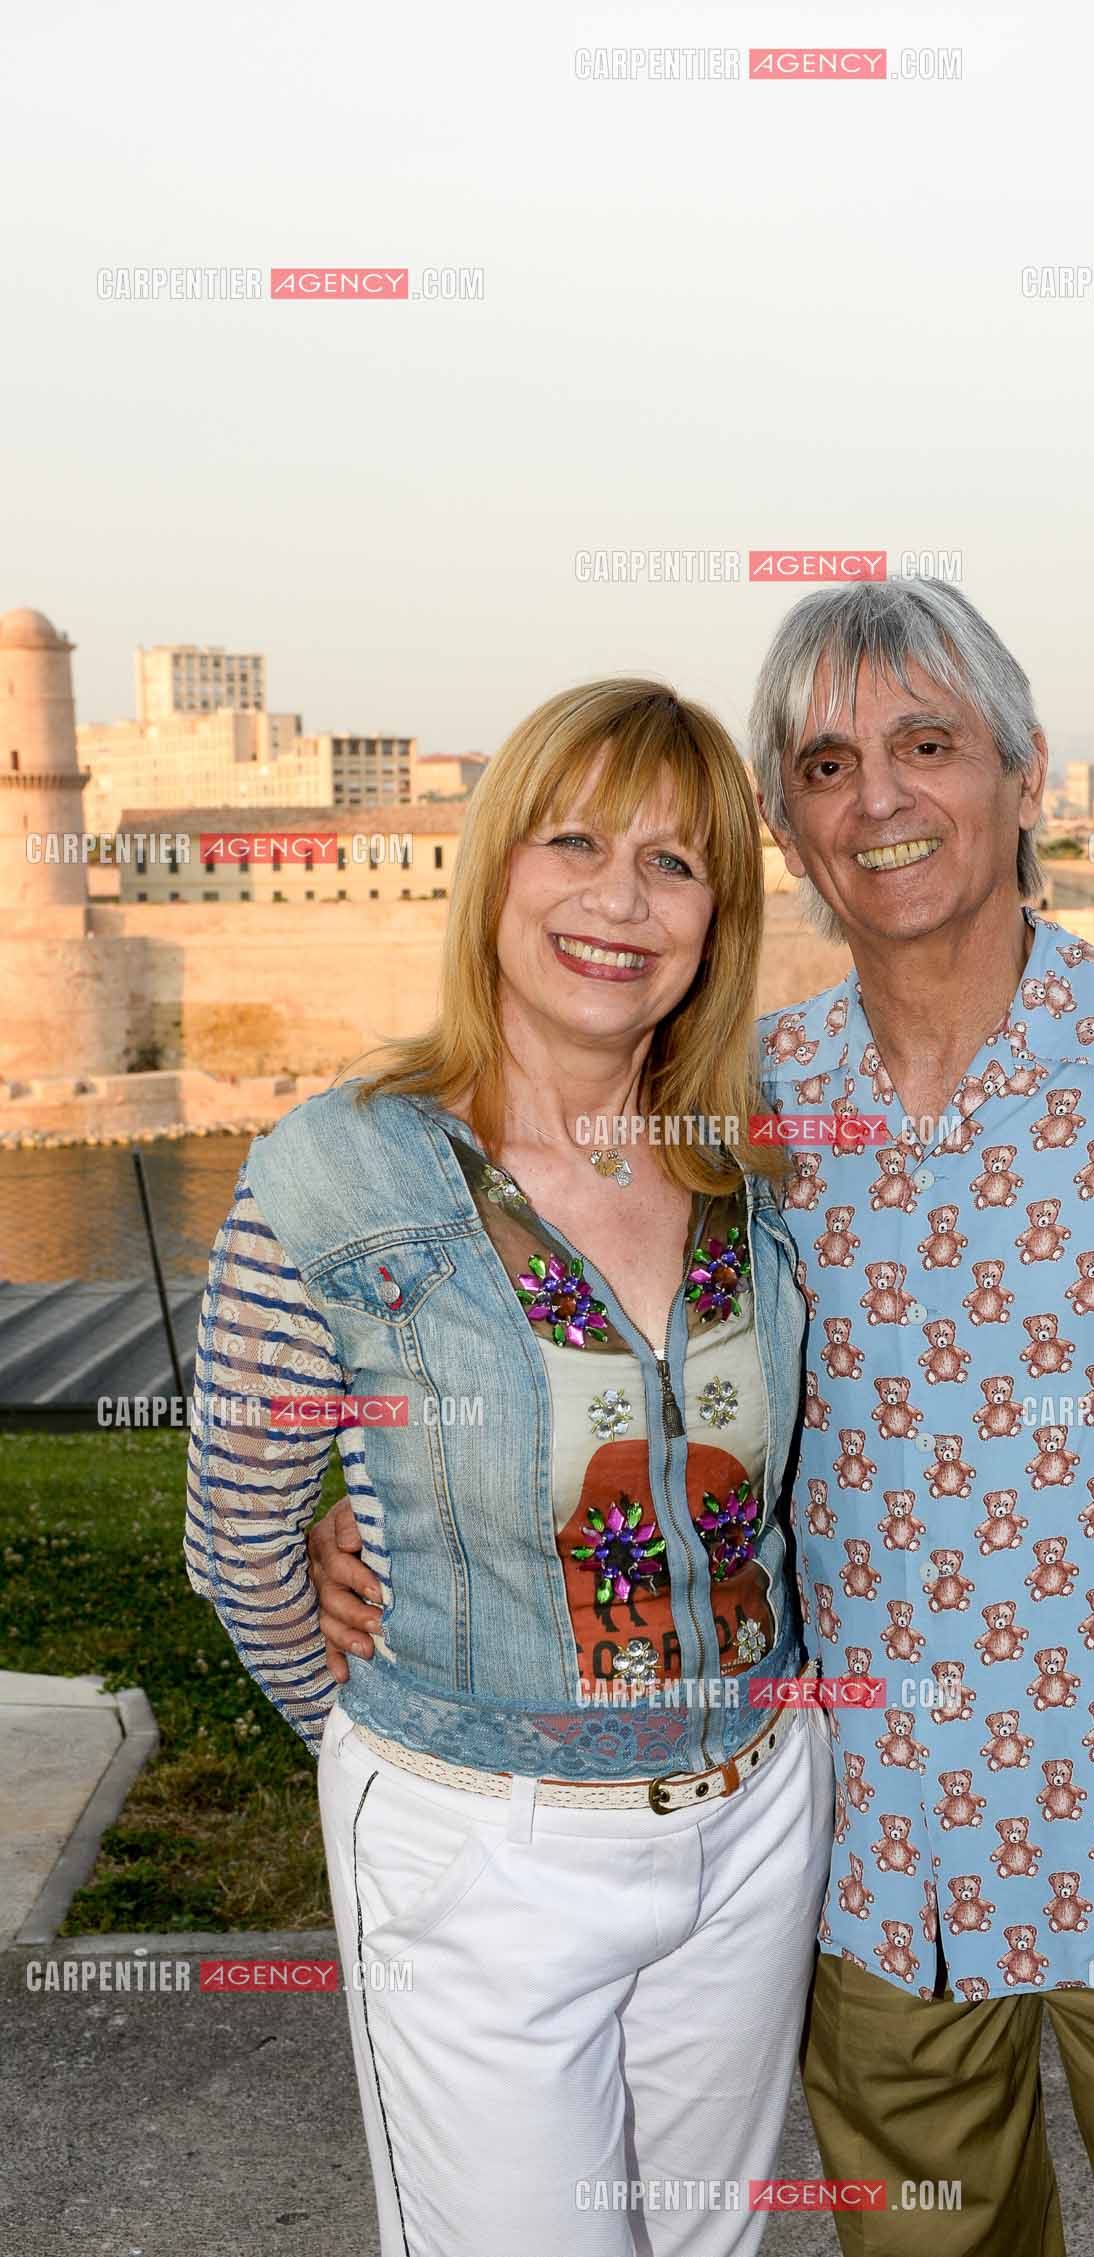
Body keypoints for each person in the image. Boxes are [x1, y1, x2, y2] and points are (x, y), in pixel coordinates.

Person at [313, 583, 1094, 2257]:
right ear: (790, 832)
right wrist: (376, 1499)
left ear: (1023, 771)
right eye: (826, 764)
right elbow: (623, 1379)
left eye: (926, 745)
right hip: (873, 1858)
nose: (879, 797)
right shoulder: (746, 1113)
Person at [183, 679, 834, 2257]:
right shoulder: (338, 1172)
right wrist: (403, 1772)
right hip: (483, 1851)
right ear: (496, 872)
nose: (622, 899)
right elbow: (239, 1536)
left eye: (677, 864)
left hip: (752, 1824)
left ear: (718, 919)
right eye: (579, 840)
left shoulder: (758, 1161)